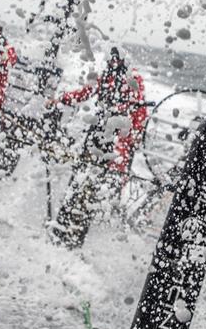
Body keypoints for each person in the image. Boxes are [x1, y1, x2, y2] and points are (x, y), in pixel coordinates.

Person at [49, 47, 148, 248]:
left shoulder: (133, 80)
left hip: (113, 141)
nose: (112, 63)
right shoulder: (106, 76)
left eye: (116, 59)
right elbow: (85, 92)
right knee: (77, 180)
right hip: (95, 135)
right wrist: (60, 100)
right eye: (110, 59)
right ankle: (61, 228)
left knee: (95, 188)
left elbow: (140, 111)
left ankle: (77, 237)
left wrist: (130, 139)